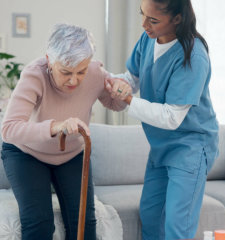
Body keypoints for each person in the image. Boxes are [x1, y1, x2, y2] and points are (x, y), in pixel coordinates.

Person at [1, 23, 131, 240]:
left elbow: (115, 104)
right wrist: (56, 126)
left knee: (84, 225)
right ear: (49, 60)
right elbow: (8, 129)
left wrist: (121, 91)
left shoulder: (95, 72)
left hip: (71, 155)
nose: (74, 80)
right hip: (26, 154)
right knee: (39, 224)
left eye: (81, 72)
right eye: (66, 72)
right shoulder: (34, 75)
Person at [105, 0, 219, 239]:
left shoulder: (193, 56)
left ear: (177, 18)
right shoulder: (148, 38)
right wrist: (108, 80)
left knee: (177, 226)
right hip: (161, 147)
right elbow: (132, 78)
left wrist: (127, 100)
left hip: (191, 148)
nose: (144, 24)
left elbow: (172, 117)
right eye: (142, 15)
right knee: (151, 215)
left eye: (153, 20)